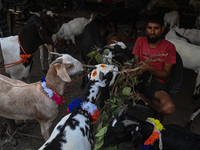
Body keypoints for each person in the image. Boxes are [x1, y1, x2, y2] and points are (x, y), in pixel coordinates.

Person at [132, 14, 176, 115]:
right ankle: (136, 93)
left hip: (155, 83)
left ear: (162, 29)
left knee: (168, 108)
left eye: (156, 28)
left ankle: (143, 98)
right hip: (137, 78)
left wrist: (150, 68)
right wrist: (137, 68)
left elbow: (165, 75)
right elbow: (136, 62)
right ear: (146, 29)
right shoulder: (140, 41)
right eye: (149, 28)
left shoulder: (169, 47)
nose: (152, 32)